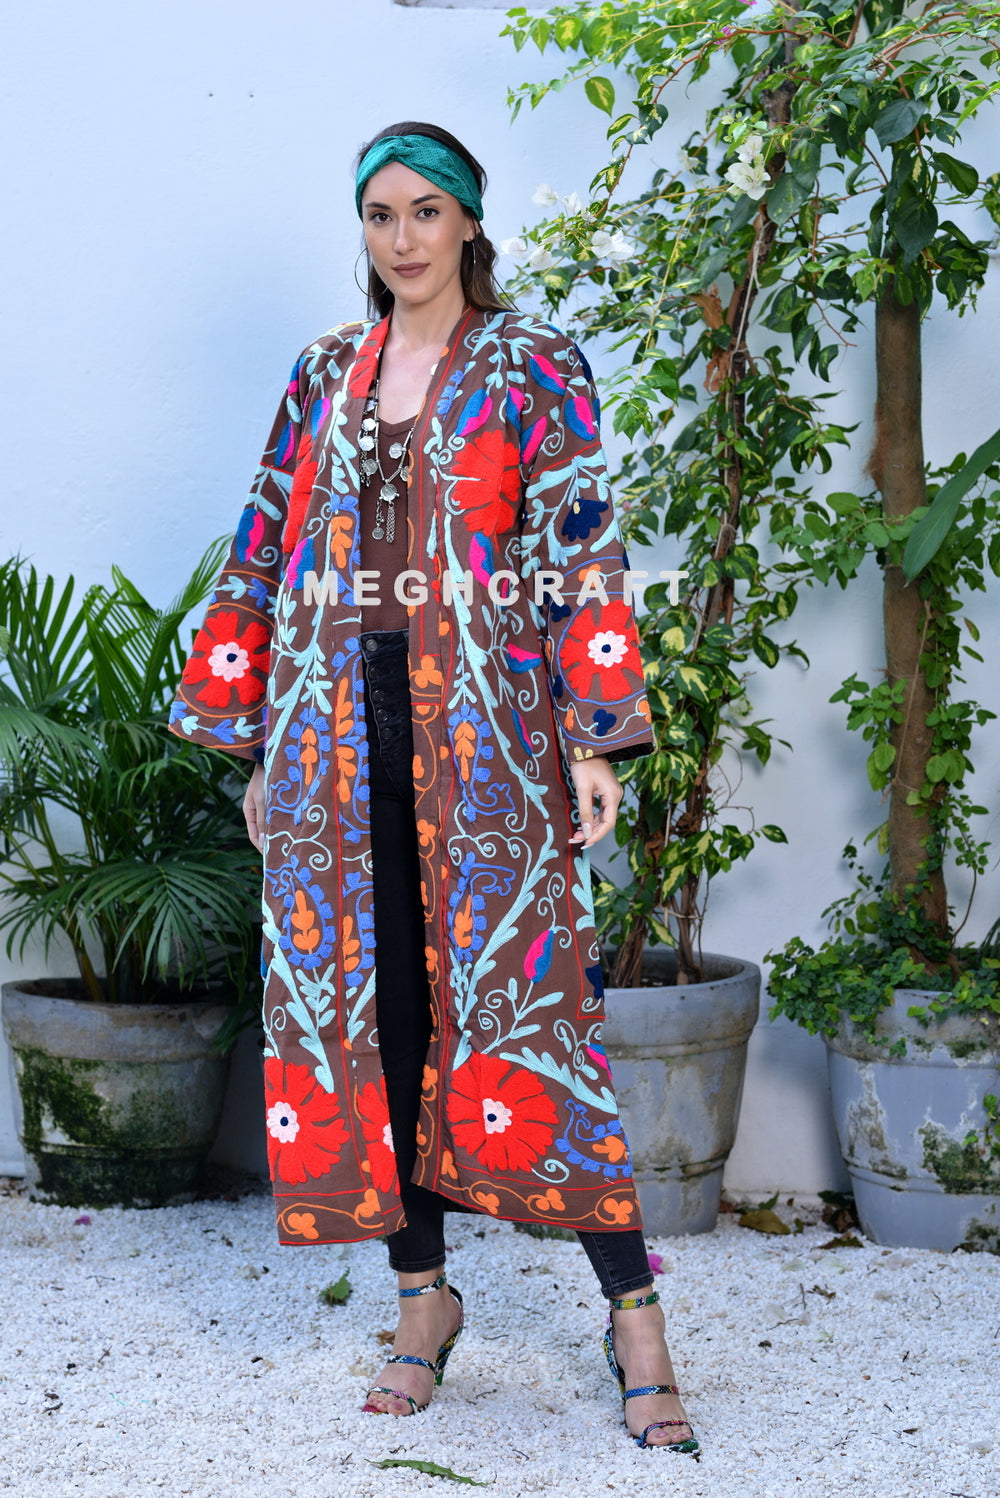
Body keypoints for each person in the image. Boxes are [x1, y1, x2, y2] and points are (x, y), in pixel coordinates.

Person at [170, 121, 699, 1456]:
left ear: (469, 222)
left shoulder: (532, 365)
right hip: (336, 745)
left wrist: (593, 738)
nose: (402, 238)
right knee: (379, 1025)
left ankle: (635, 1321)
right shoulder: (322, 374)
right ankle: (424, 1303)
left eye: (426, 211)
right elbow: (265, 544)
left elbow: (580, 545)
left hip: (489, 740)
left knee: (539, 1019)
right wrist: (261, 742)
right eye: (380, 214)